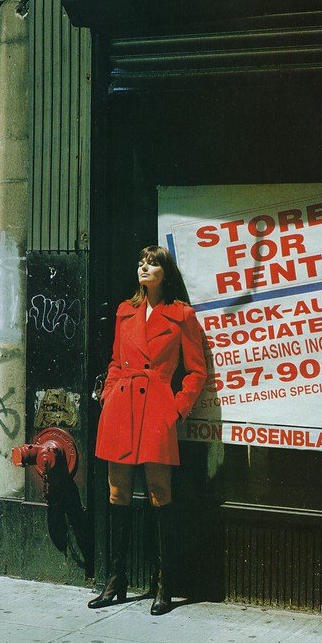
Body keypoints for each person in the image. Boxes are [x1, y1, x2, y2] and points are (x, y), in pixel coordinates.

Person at [88, 245, 207, 614]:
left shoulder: (182, 315)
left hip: (156, 408)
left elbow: (197, 371)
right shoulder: (126, 310)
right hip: (121, 406)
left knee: (159, 492)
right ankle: (116, 579)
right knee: (116, 492)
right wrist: (109, 393)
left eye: (152, 263)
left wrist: (177, 409)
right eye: (141, 262)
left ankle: (164, 583)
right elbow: (114, 359)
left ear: (165, 273)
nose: (144, 267)